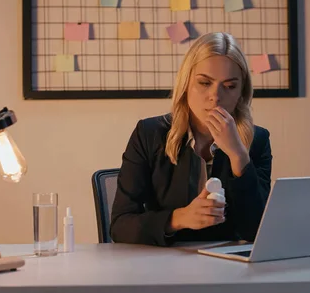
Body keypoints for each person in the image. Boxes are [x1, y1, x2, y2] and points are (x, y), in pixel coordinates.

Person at [110, 32, 272, 246]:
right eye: (205, 83)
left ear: (242, 92)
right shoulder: (149, 133)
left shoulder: (257, 140)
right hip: (163, 265)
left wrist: (238, 155)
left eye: (230, 86)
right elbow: (120, 226)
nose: (216, 96)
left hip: (229, 268)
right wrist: (179, 218)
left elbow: (258, 232)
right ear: (186, 83)